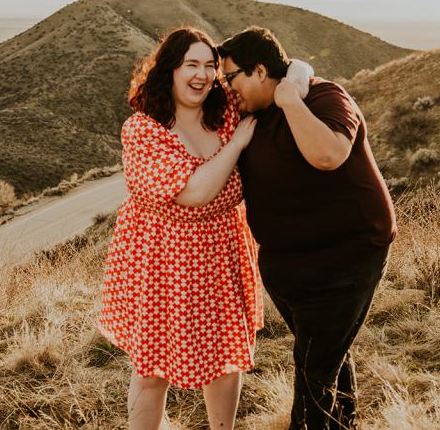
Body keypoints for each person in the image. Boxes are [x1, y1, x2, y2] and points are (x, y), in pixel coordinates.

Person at [97, 26, 310, 430]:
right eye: (191, 64)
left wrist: (291, 88)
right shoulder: (144, 130)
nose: (202, 75)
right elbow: (194, 192)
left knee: (225, 357)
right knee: (152, 366)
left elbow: (295, 67)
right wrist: (237, 145)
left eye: (210, 66)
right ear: (169, 70)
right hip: (160, 260)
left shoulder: (226, 108)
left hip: (221, 251)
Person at [218, 27, 397, 430]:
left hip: (347, 257)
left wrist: (290, 101)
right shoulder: (246, 114)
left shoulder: (325, 97)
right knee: (325, 354)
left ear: (259, 70)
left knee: (313, 367)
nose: (228, 89)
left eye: (231, 78)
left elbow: (328, 155)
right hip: (287, 267)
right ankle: (344, 423)